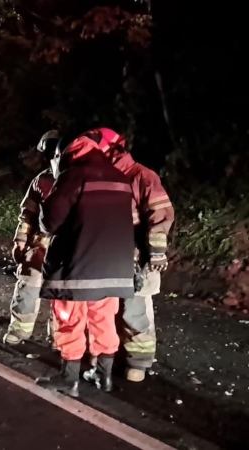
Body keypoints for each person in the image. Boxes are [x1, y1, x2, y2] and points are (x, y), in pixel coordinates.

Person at [36, 129, 135, 397]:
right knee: (104, 321)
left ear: (65, 153)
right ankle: (103, 376)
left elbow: (50, 223)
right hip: (114, 271)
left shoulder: (73, 176)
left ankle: (69, 379)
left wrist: (46, 198)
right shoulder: (120, 177)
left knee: (69, 321)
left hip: (77, 269)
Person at [98, 128, 175, 383]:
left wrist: (154, 254)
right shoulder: (103, 177)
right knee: (110, 311)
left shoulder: (142, 176)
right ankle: (116, 356)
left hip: (137, 261)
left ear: (112, 149)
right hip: (111, 258)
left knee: (135, 311)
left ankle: (138, 363)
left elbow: (160, 216)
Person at [3, 130, 60, 345]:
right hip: (43, 246)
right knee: (29, 286)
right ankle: (20, 331)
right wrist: (20, 241)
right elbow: (28, 214)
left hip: (61, 247)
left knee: (60, 293)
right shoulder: (41, 180)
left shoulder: (71, 180)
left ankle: (59, 339)